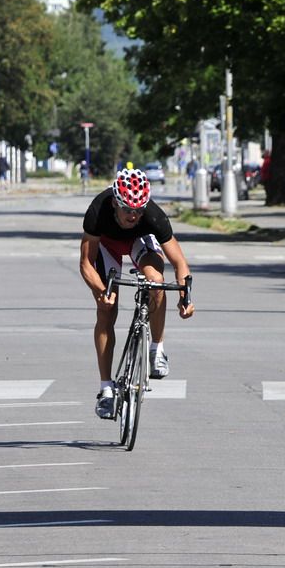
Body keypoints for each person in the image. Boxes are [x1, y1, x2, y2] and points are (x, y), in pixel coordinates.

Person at [79, 168, 194, 420]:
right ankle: (106, 389)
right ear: (114, 203)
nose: (134, 215)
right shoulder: (98, 209)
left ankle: (156, 349)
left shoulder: (152, 215)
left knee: (156, 281)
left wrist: (185, 298)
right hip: (107, 246)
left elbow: (180, 262)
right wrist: (101, 291)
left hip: (139, 242)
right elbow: (86, 263)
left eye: (139, 210)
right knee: (107, 309)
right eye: (128, 210)